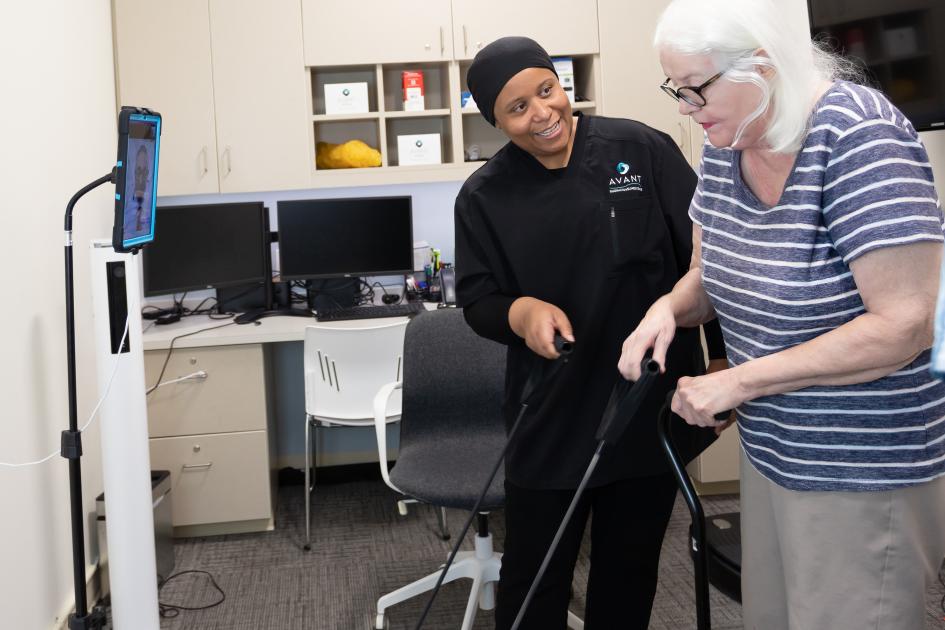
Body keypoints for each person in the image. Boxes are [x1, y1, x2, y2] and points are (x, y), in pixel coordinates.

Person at [617, 1, 945, 628]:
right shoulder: (727, 138)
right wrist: (667, 308)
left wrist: (738, 381)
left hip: (860, 464)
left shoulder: (859, 136)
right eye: (676, 89)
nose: (685, 108)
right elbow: (709, 277)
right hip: (773, 449)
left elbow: (905, 324)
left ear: (762, 67)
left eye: (695, 89)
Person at [455, 36, 726, 629]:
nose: (542, 113)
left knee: (628, 575)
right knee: (533, 578)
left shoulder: (641, 149)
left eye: (546, 90)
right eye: (517, 108)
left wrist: (721, 362)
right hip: (551, 411)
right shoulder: (484, 197)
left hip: (645, 404)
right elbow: (477, 300)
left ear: (560, 83)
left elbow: (709, 266)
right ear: (495, 122)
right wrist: (520, 313)